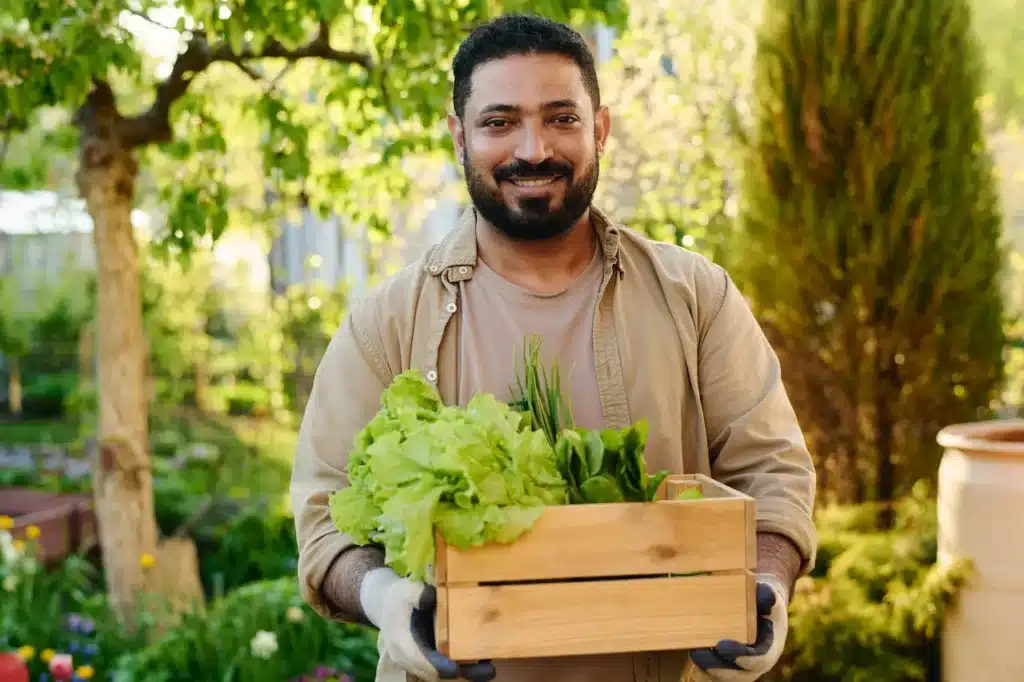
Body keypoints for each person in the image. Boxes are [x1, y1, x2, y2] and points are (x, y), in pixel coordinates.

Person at [290, 13, 817, 682]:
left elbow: (772, 473)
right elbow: (326, 517)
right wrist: (387, 599)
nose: (533, 149)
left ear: (600, 128)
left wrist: (765, 587)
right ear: (459, 137)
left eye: (561, 118)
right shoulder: (388, 323)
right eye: (499, 122)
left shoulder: (696, 296)